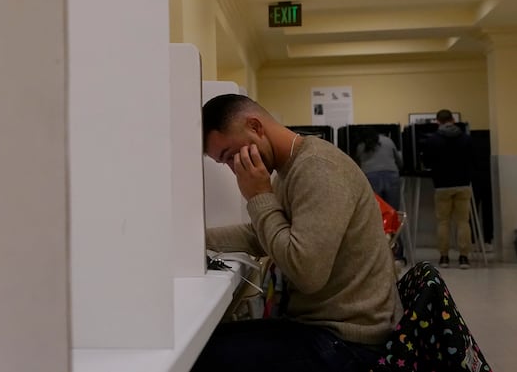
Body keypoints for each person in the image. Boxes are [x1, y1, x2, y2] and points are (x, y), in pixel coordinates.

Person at [194, 94, 402, 372]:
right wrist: (194, 242)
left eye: (231, 155)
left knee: (202, 359)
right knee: (204, 344)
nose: (234, 169)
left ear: (255, 127)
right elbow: (261, 235)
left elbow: (307, 273)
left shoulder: (317, 168)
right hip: (322, 328)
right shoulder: (289, 168)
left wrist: (258, 196)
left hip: (348, 342)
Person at [421, 109, 474, 269]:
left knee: (443, 222)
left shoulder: (433, 140)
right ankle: (464, 258)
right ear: (453, 119)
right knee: (463, 222)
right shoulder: (466, 138)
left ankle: (444, 257)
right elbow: (473, 160)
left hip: (442, 185)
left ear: (438, 121)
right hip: (463, 184)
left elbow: (427, 163)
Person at [355, 128, 406, 264]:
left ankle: (377, 256)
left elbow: (357, 165)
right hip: (391, 177)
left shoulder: (361, 146)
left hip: (370, 178)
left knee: (375, 217)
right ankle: (397, 255)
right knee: (393, 215)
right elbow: (400, 162)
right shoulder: (388, 141)